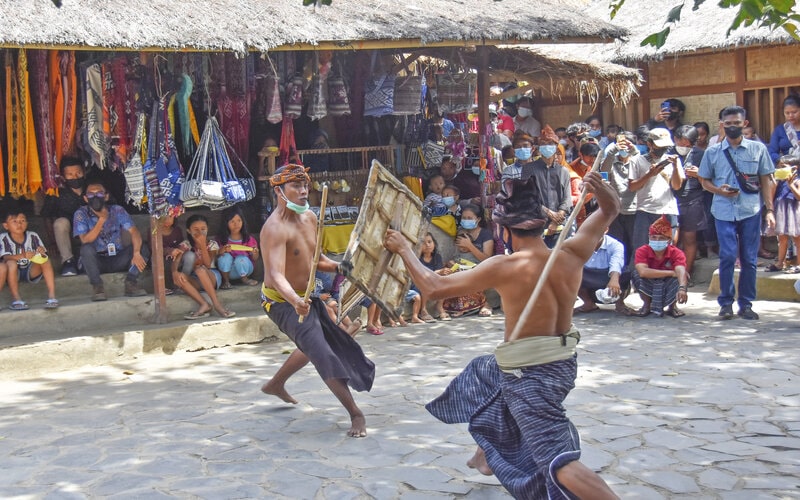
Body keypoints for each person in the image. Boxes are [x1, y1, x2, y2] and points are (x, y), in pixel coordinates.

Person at [383, 171, 620, 500]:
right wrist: (605, 195)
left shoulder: (505, 266)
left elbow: (433, 288)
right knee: (485, 372)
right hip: (560, 365)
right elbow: (609, 211)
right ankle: (486, 452)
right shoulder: (570, 253)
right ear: (542, 223)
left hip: (531, 376)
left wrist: (403, 250)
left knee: (557, 461)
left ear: (503, 230)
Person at [259, 164, 374, 438]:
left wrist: (340, 267)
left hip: (306, 298)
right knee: (323, 353)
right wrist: (295, 300)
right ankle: (356, 414)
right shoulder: (273, 229)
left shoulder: (310, 217)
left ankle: (276, 384)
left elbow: (315, 260)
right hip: (281, 303)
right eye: (295, 186)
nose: (302, 191)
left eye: (304, 185)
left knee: (314, 345)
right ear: (278, 191)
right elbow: (275, 275)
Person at [698, 105, 776, 320]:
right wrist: (718, 190)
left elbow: (766, 180)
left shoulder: (757, 149)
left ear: (745, 124)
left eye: (737, 123)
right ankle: (725, 303)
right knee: (727, 256)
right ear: (722, 124)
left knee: (750, 259)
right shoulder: (712, 152)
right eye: (728, 123)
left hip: (750, 209)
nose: (732, 127)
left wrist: (770, 210)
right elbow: (703, 180)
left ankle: (746, 304)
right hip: (723, 211)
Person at [73, 178, 149, 301]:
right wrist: (102, 219)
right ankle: (97, 287)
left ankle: (131, 282)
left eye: (99, 193)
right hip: (96, 261)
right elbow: (85, 240)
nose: (95, 197)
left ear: (106, 196)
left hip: (117, 257)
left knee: (143, 248)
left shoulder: (117, 210)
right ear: (86, 198)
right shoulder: (81, 213)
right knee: (86, 249)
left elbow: (134, 232)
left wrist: (136, 253)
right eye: (91, 194)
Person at [628, 128, 684, 253]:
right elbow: (632, 187)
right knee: (642, 249)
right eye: (659, 146)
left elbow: (676, 186)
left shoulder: (673, 160)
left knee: (669, 250)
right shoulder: (637, 161)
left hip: (668, 209)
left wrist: (675, 167)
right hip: (645, 210)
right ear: (649, 144)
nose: (662, 149)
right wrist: (649, 174)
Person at [173, 214, 236, 319]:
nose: (200, 232)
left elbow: (207, 264)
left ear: (207, 229)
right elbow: (176, 261)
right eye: (195, 229)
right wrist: (174, 272)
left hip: (212, 277)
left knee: (200, 270)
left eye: (203, 229)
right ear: (189, 231)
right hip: (196, 280)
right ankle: (204, 304)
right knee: (180, 276)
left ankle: (217, 305)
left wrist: (202, 245)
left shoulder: (212, 244)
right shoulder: (186, 244)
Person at [631, 215, 689, 318]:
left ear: (668, 240)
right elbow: (642, 272)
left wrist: (682, 289)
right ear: (649, 237)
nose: (657, 241)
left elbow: (680, 270)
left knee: (683, 276)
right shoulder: (642, 250)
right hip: (651, 280)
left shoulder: (676, 252)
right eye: (654, 237)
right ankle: (646, 305)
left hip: (668, 282)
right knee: (636, 274)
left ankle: (672, 306)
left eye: (661, 238)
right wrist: (671, 273)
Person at [0, 210, 59, 310]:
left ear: (27, 223)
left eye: (22, 220)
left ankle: (52, 297)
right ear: (6, 226)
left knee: (45, 260)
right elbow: (5, 257)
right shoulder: (3, 238)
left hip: (30, 271)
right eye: (14, 221)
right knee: (11, 263)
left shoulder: (32, 236)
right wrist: (21, 255)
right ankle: (16, 299)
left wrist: (40, 252)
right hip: (12, 273)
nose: (19, 224)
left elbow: (42, 254)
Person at [444, 204, 495, 318]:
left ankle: (485, 304)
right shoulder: (461, 231)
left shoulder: (485, 234)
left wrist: (470, 246)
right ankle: (460, 306)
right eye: (464, 218)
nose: (466, 221)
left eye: (469, 218)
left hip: (480, 267)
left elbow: (487, 259)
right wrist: (452, 263)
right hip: (462, 266)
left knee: (469, 275)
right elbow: (457, 254)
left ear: (478, 219)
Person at [41, 156, 87, 276]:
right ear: (63, 177)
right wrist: (52, 242)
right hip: (68, 233)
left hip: (89, 233)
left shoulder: (92, 188)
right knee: (60, 222)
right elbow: (47, 216)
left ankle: (87, 258)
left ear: (84, 172)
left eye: (78, 173)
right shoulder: (57, 193)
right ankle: (68, 261)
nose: (75, 177)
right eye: (70, 174)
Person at [672, 125, 707, 284]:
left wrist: (699, 174)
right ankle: (669, 275)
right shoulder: (667, 153)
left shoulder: (700, 155)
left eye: (688, 145)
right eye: (681, 143)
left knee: (689, 239)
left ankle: (685, 275)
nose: (684, 147)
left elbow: (711, 180)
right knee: (671, 239)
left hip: (693, 200)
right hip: (670, 200)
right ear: (675, 139)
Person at [528, 125, 572, 248]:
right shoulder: (529, 169)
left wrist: (557, 218)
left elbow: (567, 199)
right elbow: (527, 197)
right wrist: (548, 212)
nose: (547, 146)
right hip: (537, 224)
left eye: (550, 143)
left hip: (559, 223)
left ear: (556, 146)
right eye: (543, 143)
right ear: (538, 147)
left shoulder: (563, 171)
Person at [602, 131, 639, 266]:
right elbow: (604, 170)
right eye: (621, 145)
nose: (624, 148)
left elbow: (644, 168)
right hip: (616, 210)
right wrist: (612, 151)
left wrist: (635, 152)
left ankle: (633, 276)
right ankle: (618, 273)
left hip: (634, 209)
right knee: (618, 244)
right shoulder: (613, 161)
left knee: (635, 243)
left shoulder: (637, 161)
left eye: (627, 145)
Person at [574, 231, 633, 315]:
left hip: (609, 278)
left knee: (625, 272)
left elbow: (616, 263)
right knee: (570, 273)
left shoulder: (615, 244)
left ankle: (620, 304)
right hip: (588, 278)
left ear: (606, 229)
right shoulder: (578, 244)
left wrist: (614, 279)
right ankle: (588, 303)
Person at [765, 155, 800, 273]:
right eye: (779, 167)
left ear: (795, 168)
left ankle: (799, 264)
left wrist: (791, 184)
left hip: (794, 211)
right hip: (781, 210)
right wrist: (774, 184)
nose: (780, 169)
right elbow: (771, 195)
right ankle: (781, 263)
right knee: (782, 238)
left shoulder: (797, 181)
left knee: (797, 238)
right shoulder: (779, 182)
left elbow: (798, 197)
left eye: (783, 167)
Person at [216, 205, 260, 289]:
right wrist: (223, 250)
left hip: (246, 269)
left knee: (240, 259)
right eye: (232, 221)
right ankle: (226, 281)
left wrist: (255, 252)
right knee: (225, 257)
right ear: (226, 223)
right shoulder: (221, 239)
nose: (236, 224)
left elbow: (255, 259)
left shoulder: (248, 239)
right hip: (229, 271)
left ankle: (245, 279)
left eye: (239, 220)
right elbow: (216, 255)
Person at [418, 232, 450, 321]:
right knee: (425, 283)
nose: (427, 245)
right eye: (424, 243)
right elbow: (421, 273)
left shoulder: (437, 257)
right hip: (420, 282)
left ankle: (440, 307)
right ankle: (423, 310)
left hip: (434, 280)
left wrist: (444, 272)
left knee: (446, 281)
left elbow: (439, 272)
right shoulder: (418, 258)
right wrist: (439, 271)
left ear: (434, 244)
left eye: (429, 242)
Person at [768, 94, 800, 163]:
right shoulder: (779, 130)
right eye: (787, 113)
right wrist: (781, 160)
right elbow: (771, 152)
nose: (791, 115)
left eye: (794, 112)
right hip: (787, 169)